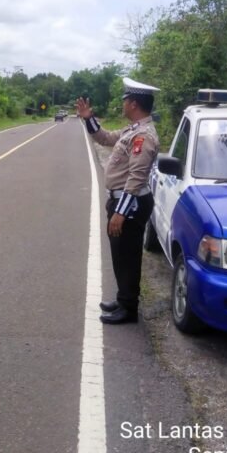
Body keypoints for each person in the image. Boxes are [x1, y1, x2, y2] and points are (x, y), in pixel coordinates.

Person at [76, 77, 160, 324]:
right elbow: (104, 138)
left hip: (130, 204)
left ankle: (129, 308)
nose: (122, 105)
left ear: (133, 103)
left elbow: (136, 178)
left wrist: (120, 213)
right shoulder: (132, 129)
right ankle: (124, 299)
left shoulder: (143, 136)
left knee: (128, 256)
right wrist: (88, 118)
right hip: (123, 202)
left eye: (124, 100)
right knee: (120, 254)